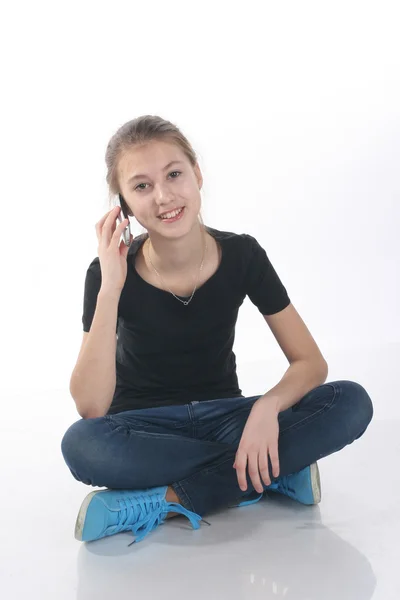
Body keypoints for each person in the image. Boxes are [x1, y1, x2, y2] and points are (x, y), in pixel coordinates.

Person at [61, 115, 374, 546]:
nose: (165, 196)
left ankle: (166, 498)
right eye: (142, 186)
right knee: (81, 445)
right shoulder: (106, 274)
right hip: (144, 430)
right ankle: (268, 473)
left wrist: (267, 408)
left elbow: (310, 362)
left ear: (198, 175)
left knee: (351, 401)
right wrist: (112, 286)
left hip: (230, 418)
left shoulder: (243, 254)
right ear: (125, 206)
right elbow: (92, 406)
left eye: (174, 174)